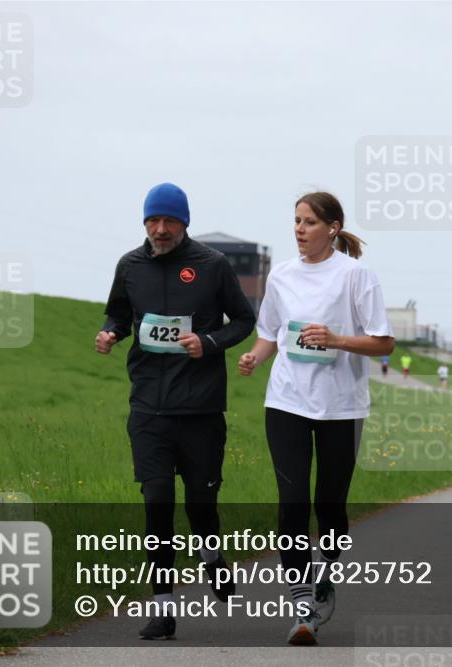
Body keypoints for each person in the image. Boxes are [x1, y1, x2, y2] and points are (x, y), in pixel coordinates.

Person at [96, 182, 256, 640]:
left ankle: (212, 558)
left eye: (169, 221)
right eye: (153, 221)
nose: (160, 230)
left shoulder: (212, 265)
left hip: (201, 409)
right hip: (148, 406)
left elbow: (243, 321)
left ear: (185, 222)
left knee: (201, 506)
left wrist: (207, 342)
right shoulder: (130, 265)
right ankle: (163, 607)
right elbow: (118, 315)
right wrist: (110, 334)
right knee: (158, 500)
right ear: (144, 222)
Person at [238, 192, 394, 645]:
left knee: (329, 504)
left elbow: (383, 343)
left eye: (308, 222)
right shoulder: (281, 276)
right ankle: (303, 603)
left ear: (333, 226)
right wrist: (255, 356)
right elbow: (270, 335)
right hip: (285, 401)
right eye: (296, 221)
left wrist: (337, 340)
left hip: (341, 405)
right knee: (292, 503)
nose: (299, 229)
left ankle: (325, 570)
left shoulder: (356, 276)